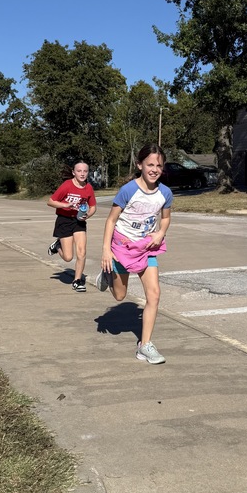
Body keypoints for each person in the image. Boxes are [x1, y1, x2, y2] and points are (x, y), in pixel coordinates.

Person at [96, 143, 172, 364]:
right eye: (150, 164)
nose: (154, 169)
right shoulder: (129, 190)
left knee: (154, 295)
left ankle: (145, 345)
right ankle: (108, 275)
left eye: (158, 165)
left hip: (147, 247)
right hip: (121, 246)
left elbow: (165, 218)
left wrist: (161, 233)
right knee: (120, 296)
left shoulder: (165, 193)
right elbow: (111, 220)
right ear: (140, 165)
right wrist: (106, 251)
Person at [46, 161, 97, 291]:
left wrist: (88, 215)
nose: (82, 173)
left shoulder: (88, 188)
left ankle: (77, 280)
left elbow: (93, 207)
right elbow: (51, 201)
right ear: (74, 173)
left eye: (85, 171)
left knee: (82, 251)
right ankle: (57, 246)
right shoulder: (67, 185)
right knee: (68, 257)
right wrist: (64, 205)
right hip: (64, 220)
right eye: (79, 171)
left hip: (79, 221)